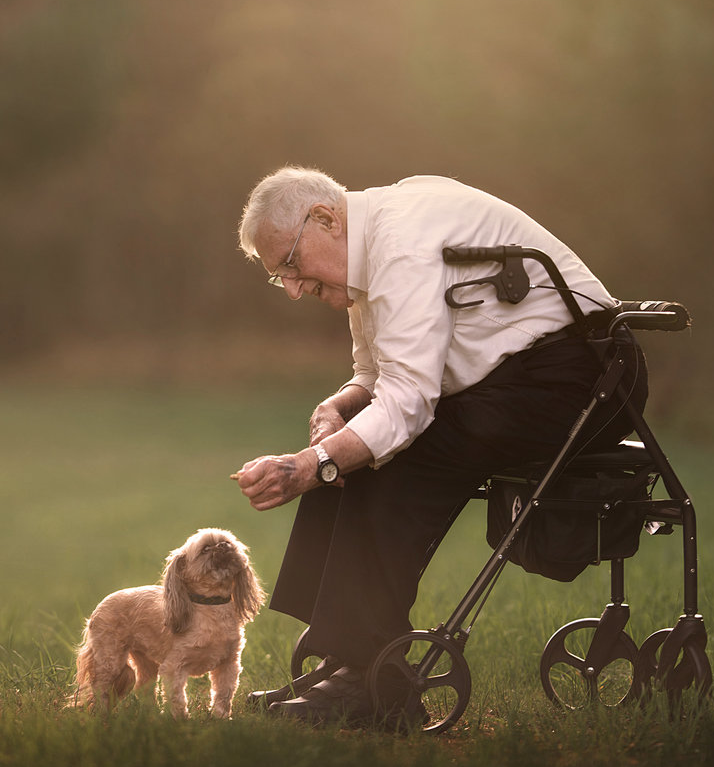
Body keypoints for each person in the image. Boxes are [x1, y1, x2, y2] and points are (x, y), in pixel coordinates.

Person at [231, 166, 647, 726]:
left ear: (325, 219)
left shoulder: (400, 246)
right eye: (277, 275)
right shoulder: (368, 245)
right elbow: (375, 372)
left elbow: (407, 404)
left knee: (392, 454)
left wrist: (308, 465)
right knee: (347, 453)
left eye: (289, 263)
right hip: (523, 379)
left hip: (586, 376)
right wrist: (338, 408)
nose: (292, 288)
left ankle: (368, 682)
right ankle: (348, 655)